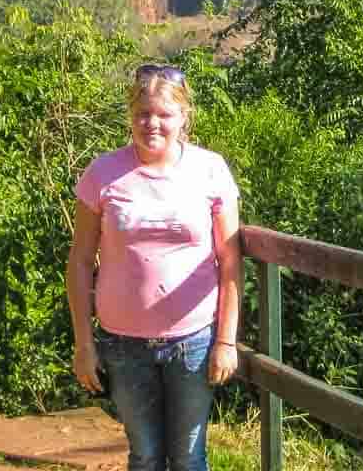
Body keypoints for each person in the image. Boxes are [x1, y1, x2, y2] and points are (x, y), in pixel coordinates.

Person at [67, 64, 241, 471]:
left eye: (164, 114)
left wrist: (226, 340)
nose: (152, 124)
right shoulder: (102, 173)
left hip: (194, 341)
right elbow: (79, 260)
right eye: (143, 113)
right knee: (144, 456)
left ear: (184, 117)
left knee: (188, 457)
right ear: (131, 116)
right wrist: (84, 343)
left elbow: (230, 260)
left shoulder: (210, 169)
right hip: (123, 343)